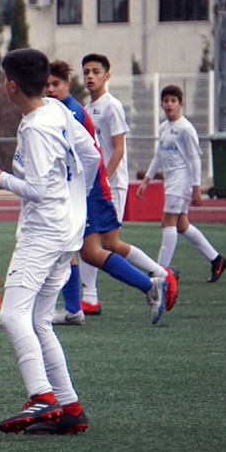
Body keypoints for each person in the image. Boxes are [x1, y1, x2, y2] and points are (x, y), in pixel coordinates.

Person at [0, 48, 104, 435]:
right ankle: (70, 408)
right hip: (68, 231)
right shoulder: (58, 108)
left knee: (12, 315)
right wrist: (75, 201)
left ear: (11, 86)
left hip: (44, 234)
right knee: (39, 320)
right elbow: (93, 156)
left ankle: (41, 397)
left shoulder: (35, 126)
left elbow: (39, 191)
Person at [45, 61, 177, 325]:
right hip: (81, 189)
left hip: (89, 189)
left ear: (67, 85)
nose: (50, 90)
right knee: (86, 251)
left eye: (55, 84)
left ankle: (151, 280)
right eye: (46, 85)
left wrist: (81, 188)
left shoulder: (70, 112)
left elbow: (93, 155)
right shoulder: (65, 109)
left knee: (88, 248)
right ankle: (79, 306)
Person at [137, 85, 226, 282]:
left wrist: (196, 188)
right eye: (166, 101)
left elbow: (196, 159)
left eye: (173, 101)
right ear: (161, 104)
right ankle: (217, 259)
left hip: (182, 182)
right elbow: (159, 156)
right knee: (181, 224)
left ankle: (160, 272)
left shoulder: (186, 129)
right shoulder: (163, 128)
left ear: (181, 104)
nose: (169, 104)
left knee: (167, 222)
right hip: (170, 182)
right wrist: (146, 180)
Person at [78, 53, 130, 315]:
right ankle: (90, 296)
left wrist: (105, 179)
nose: (90, 76)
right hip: (94, 186)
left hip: (112, 183)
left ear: (107, 76)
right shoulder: (86, 110)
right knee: (88, 239)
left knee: (110, 243)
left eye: (96, 71)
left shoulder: (112, 106)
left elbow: (118, 149)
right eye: (86, 71)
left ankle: (160, 274)